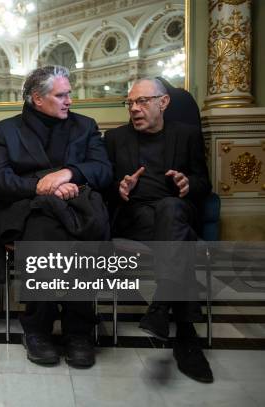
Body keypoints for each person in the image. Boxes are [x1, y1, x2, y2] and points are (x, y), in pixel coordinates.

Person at [0, 65, 112, 368]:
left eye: (69, 94)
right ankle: (40, 330)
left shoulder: (85, 126)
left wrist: (69, 173)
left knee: (76, 236)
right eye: (61, 95)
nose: (69, 100)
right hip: (28, 208)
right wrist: (43, 186)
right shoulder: (4, 130)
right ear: (37, 99)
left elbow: (103, 170)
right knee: (45, 233)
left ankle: (76, 331)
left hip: (77, 208)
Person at [105, 78, 213, 383]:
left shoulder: (187, 136)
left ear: (163, 103)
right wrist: (120, 188)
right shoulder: (114, 138)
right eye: (130, 103)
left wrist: (188, 183)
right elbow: (103, 189)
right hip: (135, 216)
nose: (135, 109)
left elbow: (205, 185)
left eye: (142, 102)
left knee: (171, 209)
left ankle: (163, 303)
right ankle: (185, 331)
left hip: (176, 212)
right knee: (177, 230)